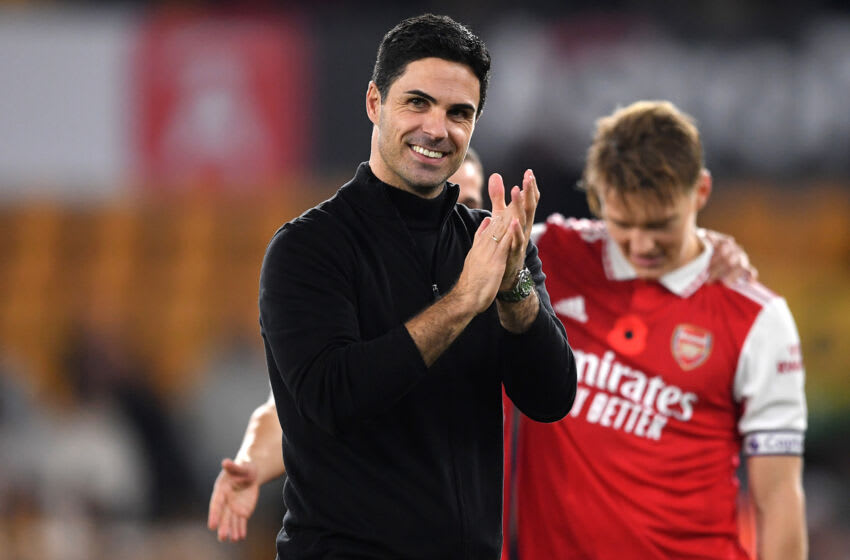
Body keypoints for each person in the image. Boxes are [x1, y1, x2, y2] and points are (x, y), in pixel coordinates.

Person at [258, 14, 576, 559]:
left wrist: (514, 290)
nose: (437, 128)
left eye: (459, 113)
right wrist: (460, 303)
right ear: (374, 104)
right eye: (417, 102)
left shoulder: (493, 243)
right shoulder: (309, 248)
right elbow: (333, 398)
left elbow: (551, 398)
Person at [505, 100, 807, 559]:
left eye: (661, 225)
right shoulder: (549, 258)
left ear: (700, 191)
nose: (642, 245)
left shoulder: (758, 319)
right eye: (623, 223)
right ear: (597, 195)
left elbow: (778, 496)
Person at [207, 147, 489, 543]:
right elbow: (290, 408)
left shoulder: (515, 292)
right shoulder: (390, 304)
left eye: (471, 207)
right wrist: (250, 461)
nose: (456, 218)